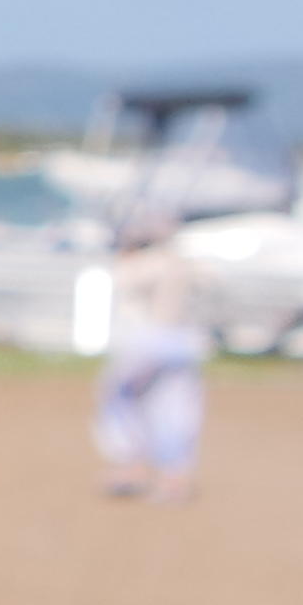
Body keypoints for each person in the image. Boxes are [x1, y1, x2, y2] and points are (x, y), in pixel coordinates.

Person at [97, 209, 207, 497]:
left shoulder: (144, 265)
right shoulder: (184, 264)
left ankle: (130, 466)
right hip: (185, 341)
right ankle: (174, 476)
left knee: (122, 399)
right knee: (176, 406)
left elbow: (124, 283)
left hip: (149, 339)